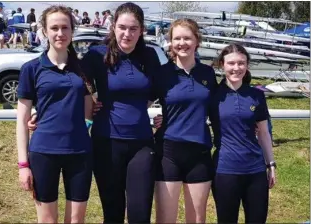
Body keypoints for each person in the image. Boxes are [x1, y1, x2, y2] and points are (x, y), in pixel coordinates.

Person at [81, 2, 161, 223]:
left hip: (142, 143)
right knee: (113, 213)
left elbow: (166, 89)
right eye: (122, 27)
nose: (127, 34)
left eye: (133, 28)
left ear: (141, 30)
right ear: (113, 26)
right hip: (106, 143)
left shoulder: (150, 56)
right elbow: (70, 83)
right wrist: (89, 102)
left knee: (140, 214)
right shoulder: (97, 55)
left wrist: (168, 117)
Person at [16, 5, 93, 223]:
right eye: (54, 28)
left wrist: (86, 124)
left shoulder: (83, 68)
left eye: (65, 28)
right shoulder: (31, 69)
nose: (60, 33)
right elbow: (22, 120)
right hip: (43, 152)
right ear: (45, 31)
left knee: (76, 220)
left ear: (72, 31)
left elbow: (91, 106)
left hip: (80, 153)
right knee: (48, 220)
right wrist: (23, 165)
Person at [153, 18, 218, 223]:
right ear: (170, 42)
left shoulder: (207, 73)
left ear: (196, 40)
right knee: (165, 219)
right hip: (168, 152)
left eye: (187, 38)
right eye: (177, 38)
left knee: (197, 219)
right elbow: (138, 103)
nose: (182, 43)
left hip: (199, 152)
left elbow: (218, 109)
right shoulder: (163, 74)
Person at [209, 43, 276, 224]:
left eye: (241, 63)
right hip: (225, 171)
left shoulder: (256, 95)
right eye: (231, 63)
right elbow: (190, 116)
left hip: (255, 171)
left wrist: (271, 164)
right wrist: (163, 119)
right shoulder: (212, 95)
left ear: (246, 65)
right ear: (222, 64)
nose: (236, 68)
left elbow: (263, 132)